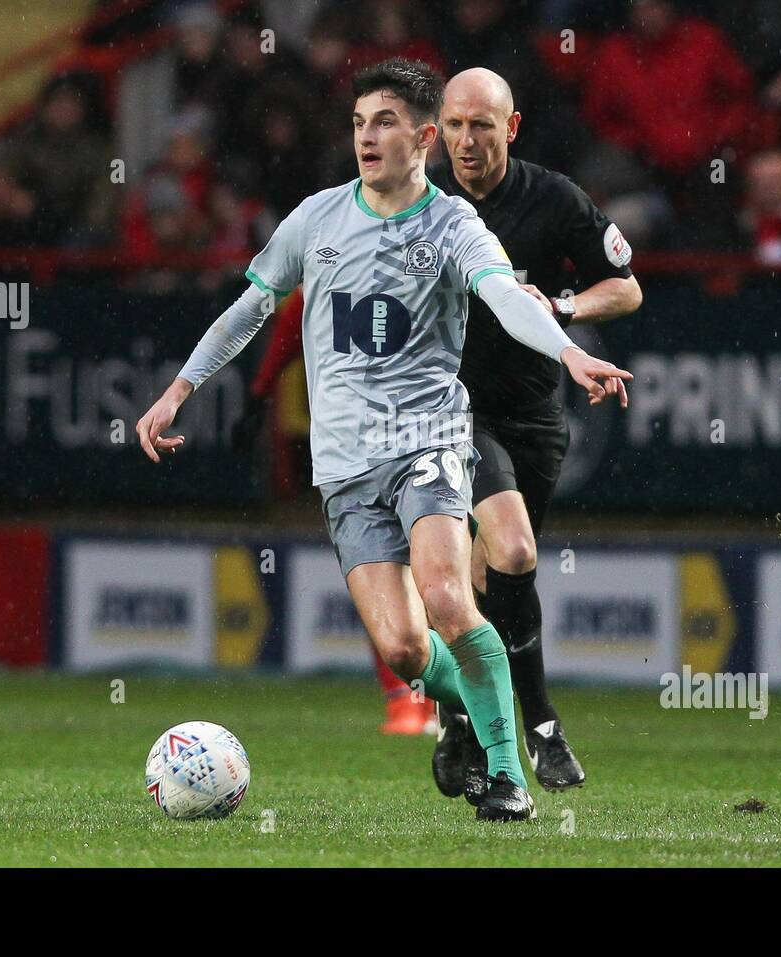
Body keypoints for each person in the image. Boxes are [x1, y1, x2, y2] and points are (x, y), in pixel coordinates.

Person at [136, 58, 632, 822]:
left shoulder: (454, 223)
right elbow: (250, 308)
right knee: (404, 648)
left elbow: (506, 296)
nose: (367, 136)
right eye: (360, 122)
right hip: (344, 463)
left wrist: (569, 348)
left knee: (446, 595)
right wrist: (178, 390)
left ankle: (507, 776)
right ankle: (469, 706)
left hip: (430, 440)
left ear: (423, 138)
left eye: (386, 122)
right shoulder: (317, 218)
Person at [429, 68, 643, 802]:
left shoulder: (554, 198)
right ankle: (542, 723)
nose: (466, 140)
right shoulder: (419, 202)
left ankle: (462, 714)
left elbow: (627, 285)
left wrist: (560, 304)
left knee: (499, 579)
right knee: (511, 548)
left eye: (482, 125)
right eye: (454, 124)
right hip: (451, 414)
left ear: (510, 129)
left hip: (534, 415)